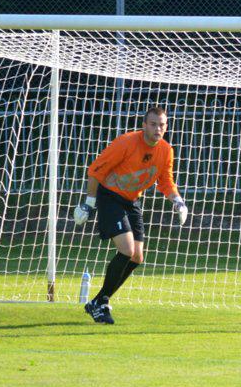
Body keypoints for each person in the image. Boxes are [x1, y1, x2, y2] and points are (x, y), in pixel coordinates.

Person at [74, 106, 188, 324]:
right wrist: (89, 203)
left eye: (162, 125)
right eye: (153, 124)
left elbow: (166, 181)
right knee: (127, 250)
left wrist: (178, 202)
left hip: (132, 200)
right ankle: (101, 302)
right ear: (144, 125)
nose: (158, 129)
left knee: (137, 257)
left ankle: (98, 301)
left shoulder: (166, 150)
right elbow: (96, 169)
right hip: (110, 197)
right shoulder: (126, 143)